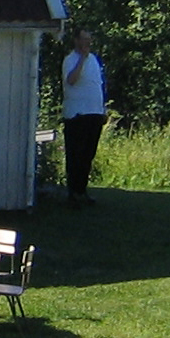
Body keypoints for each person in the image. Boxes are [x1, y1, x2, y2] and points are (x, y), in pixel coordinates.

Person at [61, 27, 107, 205]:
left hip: (94, 113)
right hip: (77, 114)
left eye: (89, 39)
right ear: (76, 41)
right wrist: (81, 59)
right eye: (84, 39)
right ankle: (73, 192)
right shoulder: (70, 60)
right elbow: (71, 80)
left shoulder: (94, 59)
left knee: (88, 154)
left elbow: (97, 85)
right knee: (76, 154)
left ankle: (82, 190)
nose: (87, 43)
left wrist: (102, 109)